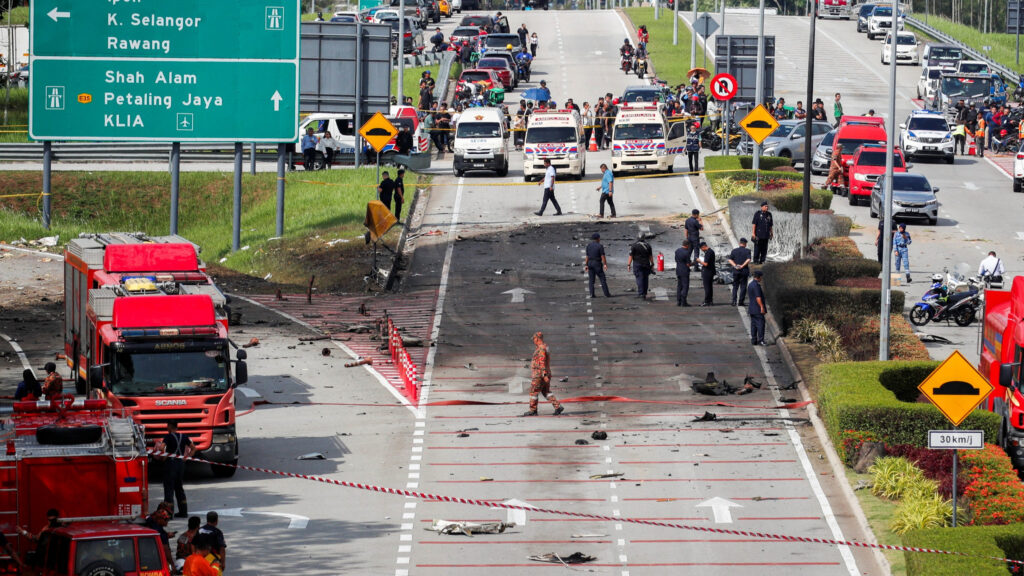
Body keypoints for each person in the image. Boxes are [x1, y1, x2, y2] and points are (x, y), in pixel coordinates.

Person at [156, 421, 194, 518]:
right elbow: (194, 448)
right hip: (180, 464)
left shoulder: (168, 437)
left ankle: (169, 513)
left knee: (169, 488)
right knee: (179, 488)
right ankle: (183, 512)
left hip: (170, 464)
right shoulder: (184, 436)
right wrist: (187, 457)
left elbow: (161, 448)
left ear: (169, 427)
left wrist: (163, 457)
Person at [523, 332, 563, 416]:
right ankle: (557, 406)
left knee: (533, 392)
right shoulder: (545, 347)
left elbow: (542, 361)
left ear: (537, 338)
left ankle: (533, 410)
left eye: (534, 339)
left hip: (539, 374)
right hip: (545, 373)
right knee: (546, 391)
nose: (533, 341)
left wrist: (544, 374)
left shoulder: (541, 348)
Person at [627, 232, 654, 300]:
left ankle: (641, 293)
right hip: (646, 264)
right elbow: (650, 256)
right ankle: (644, 293)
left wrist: (628, 264)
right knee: (645, 279)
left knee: (639, 279)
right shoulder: (648, 245)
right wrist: (652, 264)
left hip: (638, 264)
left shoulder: (634, 245)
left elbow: (631, 256)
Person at [585, 232, 611, 298]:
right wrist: (605, 264)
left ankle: (591, 294)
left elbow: (587, 256)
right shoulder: (600, 246)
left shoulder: (588, 246)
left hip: (590, 263)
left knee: (591, 280)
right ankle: (606, 293)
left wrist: (586, 265)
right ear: (598, 239)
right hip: (597, 263)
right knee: (602, 278)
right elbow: (602, 256)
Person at [729, 238, 753, 307]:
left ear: (740, 243)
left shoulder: (734, 251)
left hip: (736, 271)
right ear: (745, 244)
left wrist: (735, 266)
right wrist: (742, 266)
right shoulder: (747, 251)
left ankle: (734, 301)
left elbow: (730, 260)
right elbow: (748, 259)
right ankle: (741, 302)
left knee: (735, 286)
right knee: (743, 287)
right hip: (744, 271)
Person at [748, 270, 767, 346]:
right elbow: (758, 298)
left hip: (752, 308)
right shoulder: (756, 286)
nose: (761, 279)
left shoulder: (751, 284)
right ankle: (761, 340)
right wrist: (762, 307)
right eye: (761, 277)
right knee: (760, 325)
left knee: (753, 325)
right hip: (757, 309)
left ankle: (754, 340)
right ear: (759, 277)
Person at [675, 239, 693, 307]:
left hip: (678, 270)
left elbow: (676, 260)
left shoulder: (677, 251)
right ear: (687, 245)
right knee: (685, 287)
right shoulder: (687, 252)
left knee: (679, 286)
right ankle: (683, 302)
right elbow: (688, 264)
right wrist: (694, 263)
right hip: (685, 271)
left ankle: (678, 301)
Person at [698, 242, 716, 306]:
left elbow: (706, 264)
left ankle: (707, 301)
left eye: (701, 249)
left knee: (707, 287)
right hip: (711, 271)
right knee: (710, 287)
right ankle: (710, 300)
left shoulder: (708, 252)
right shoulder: (711, 251)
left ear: (703, 247)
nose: (702, 250)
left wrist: (699, 261)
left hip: (707, 272)